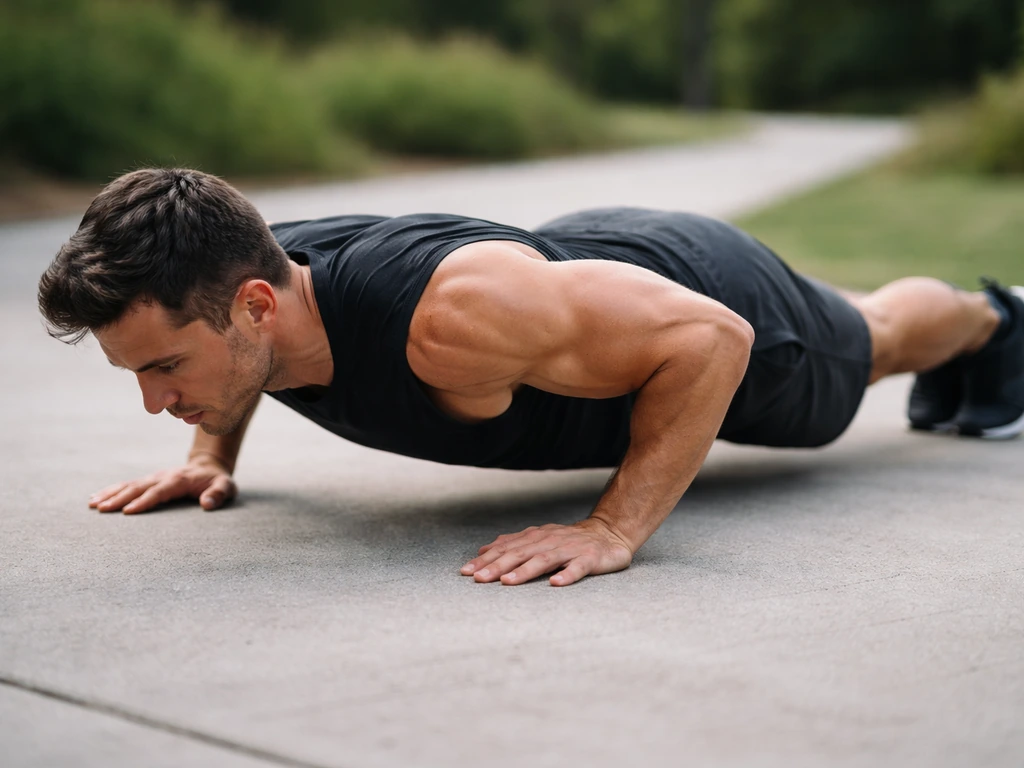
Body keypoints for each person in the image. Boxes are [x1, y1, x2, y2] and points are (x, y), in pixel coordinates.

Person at [37, 169, 1024, 587]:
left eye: (165, 368)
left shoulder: (449, 318)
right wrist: (210, 453)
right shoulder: (250, 280)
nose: (154, 401)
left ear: (257, 307)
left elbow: (712, 338)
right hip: (581, 283)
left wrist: (613, 528)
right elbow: (229, 352)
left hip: (702, 294)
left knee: (869, 342)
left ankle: (998, 319)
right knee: (852, 321)